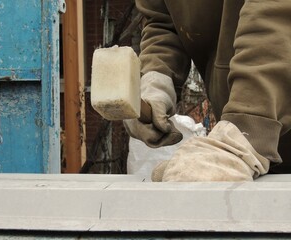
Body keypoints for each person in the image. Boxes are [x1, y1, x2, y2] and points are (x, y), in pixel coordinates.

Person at [123, 0, 291, 181]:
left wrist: (247, 127)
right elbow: (163, 22)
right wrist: (156, 81)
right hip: (256, 156)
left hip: (255, 132)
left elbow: (275, 17)